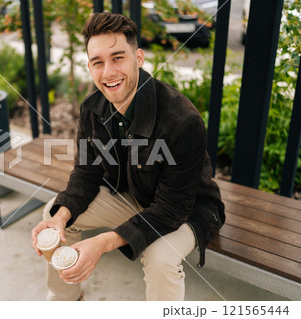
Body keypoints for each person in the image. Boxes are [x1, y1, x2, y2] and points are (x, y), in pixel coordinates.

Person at [31, 12, 225, 301]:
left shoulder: (183, 120)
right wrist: (61, 218)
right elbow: (86, 174)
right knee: (54, 214)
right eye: (98, 62)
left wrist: (102, 243)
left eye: (118, 58)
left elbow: (172, 208)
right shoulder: (92, 108)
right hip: (135, 196)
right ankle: (65, 299)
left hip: (189, 208)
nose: (108, 72)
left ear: (139, 58)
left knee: (159, 257)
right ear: (90, 66)